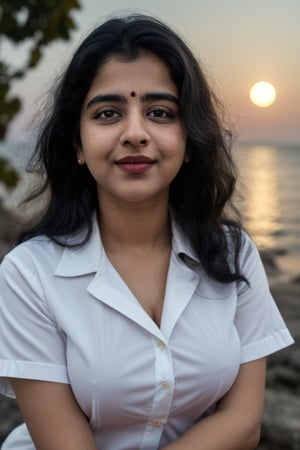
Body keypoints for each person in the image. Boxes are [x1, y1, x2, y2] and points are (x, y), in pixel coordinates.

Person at [0, 14, 294, 450]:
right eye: (108, 113)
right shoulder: (28, 274)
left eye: (159, 112)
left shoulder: (233, 256)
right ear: (77, 144)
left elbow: (244, 422)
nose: (135, 133)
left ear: (189, 139)